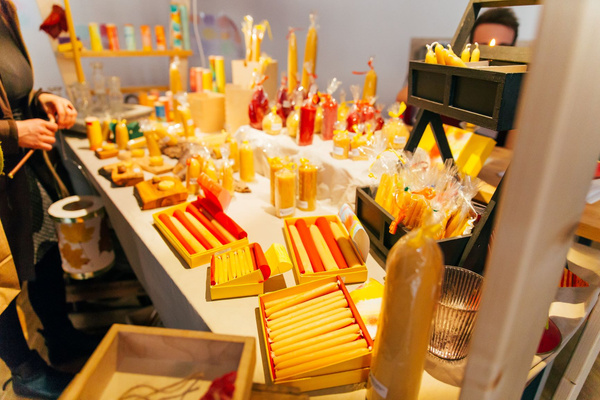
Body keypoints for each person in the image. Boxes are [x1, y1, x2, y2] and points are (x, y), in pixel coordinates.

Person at [1, 0, 99, 398]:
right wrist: (14, 133)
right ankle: (24, 371)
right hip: (6, 158)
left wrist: (42, 100)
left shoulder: (5, 10)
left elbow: (14, 90)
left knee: (43, 249)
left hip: (20, 169)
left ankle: (60, 337)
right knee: (0, 279)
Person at [396, 8, 520, 147]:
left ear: (514, 48)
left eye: (503, 47)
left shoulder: (517, 91)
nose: (492, 55)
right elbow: (402, 97)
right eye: (483, 46)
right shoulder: (454, 69)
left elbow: (512, 149)